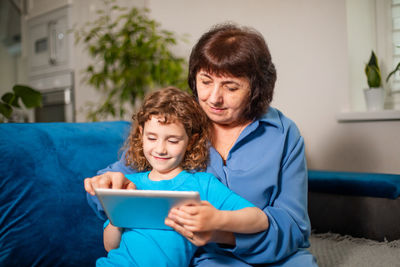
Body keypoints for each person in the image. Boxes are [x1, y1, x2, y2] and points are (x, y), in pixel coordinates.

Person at [85, 23, 318, 266]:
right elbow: (111, 191)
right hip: (205, 257)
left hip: (269, 252)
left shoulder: (283, 134)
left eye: (231, 87)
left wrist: (220, 232)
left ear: (256, 89)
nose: (214, 98)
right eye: (205, 81)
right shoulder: (178, 123)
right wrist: (106, 185)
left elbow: (293, 226)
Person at [96, 87, 269, 266]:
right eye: (152, 138)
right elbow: (110, 246)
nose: (160, 149)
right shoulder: (130, 185)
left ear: (190, 141)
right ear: (141, 135)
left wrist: (217, 219)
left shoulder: (202, 185)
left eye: (172, 140)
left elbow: (260, 220)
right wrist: (117, 217)